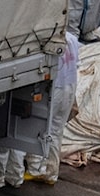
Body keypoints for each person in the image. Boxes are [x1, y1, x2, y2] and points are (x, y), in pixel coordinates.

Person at [24, 31, 80, 185]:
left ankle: (36, 169)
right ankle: (51, 172)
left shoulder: (49, 40)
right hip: (70, 85)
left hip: (55, 88)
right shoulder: (73, 39)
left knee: (39, 127)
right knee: (57, 130)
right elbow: (77, 64)